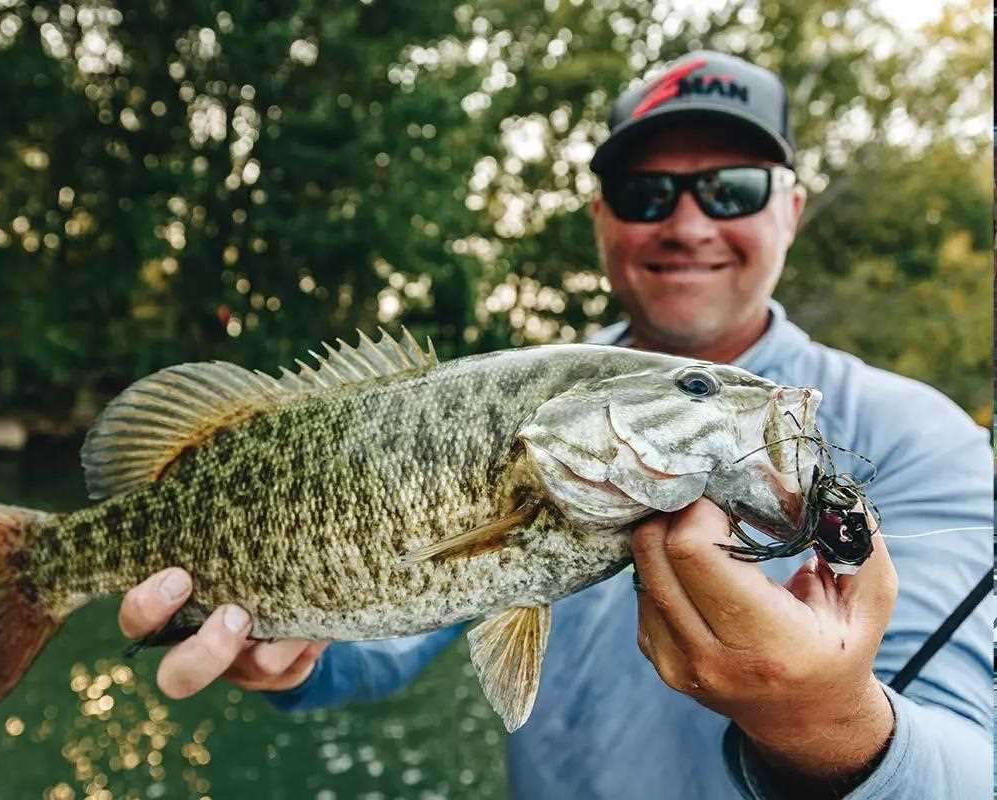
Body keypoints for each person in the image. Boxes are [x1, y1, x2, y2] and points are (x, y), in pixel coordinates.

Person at [116, 52, 993, 798]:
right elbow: (383, 641)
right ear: (602, 215)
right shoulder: (501, 401)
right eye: (644, 191)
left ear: (790, 210)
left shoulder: (919, 440)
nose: (688, 223)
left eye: (731, 189)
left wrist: (823, 721)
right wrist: (281, 650)